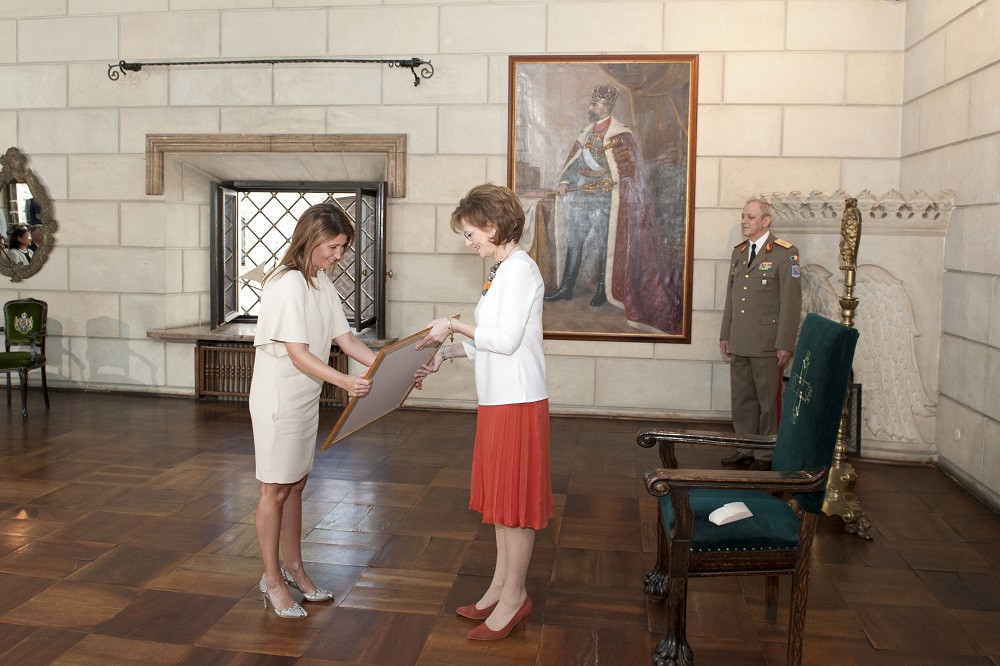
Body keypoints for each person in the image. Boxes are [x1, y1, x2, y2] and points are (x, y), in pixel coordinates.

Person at [414, 183, 552, 641]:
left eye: (471, 233)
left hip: (516, 399)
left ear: (492, 226)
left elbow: (506, 341)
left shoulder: (516, 270)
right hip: (498, 398)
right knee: (501, 504)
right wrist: (447, 354)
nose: (468, 243)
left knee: (515, 507)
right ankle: (499, 586)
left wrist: (450, 324)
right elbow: (489, 339)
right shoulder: (501, 269)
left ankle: (515, 597)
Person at [249, 203, 378, 618]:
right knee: (275, 489)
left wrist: (389, 366)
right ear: (311, 238)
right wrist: (345, 382)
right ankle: (271, 581)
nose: (339, 255)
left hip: (303, 398)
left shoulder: (321, 283)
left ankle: (295, 569)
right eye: (334, 246)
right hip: (277, 400)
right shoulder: (286, 284)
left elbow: (348, 342)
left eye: (343, 248)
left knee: (296, 486)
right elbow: (298, 354)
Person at [543, 82, 681, 333]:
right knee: (574, 243)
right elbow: (573, 165)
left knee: (605, 248)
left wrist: (612, 181)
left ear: (606, 107)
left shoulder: (621, 134)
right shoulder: (585, 133)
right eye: (591, 103)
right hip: (581, 200)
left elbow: (629, 171)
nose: (590, 107)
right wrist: (564, 182)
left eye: (594, 104)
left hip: (605, 201)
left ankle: (602, 291)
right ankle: (566, 288)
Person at [719, 199, 802, 471]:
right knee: (742, 399)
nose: (744, 221)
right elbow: (731, 298)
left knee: (768, 402)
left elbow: (791, 303)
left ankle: (765, 455)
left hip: (768, 343)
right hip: (741, 339)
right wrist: (726, 334)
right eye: (743, 216)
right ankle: (745, 447)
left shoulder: (784, 253)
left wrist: (785, 343)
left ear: (766, 221)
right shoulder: (739, 252)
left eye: (751, 217)